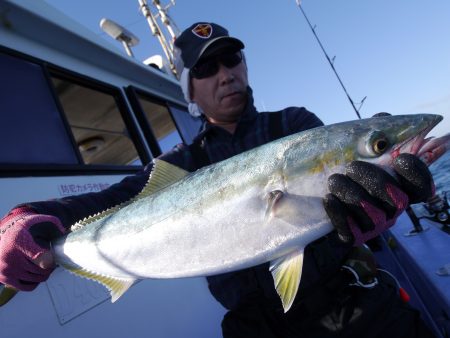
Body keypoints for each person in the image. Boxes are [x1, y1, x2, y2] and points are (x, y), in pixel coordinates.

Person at [0, 22, 436, 337]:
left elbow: (352, 191)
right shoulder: (178, 163)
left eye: (231, 59)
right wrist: (35, 218)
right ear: (189, 90)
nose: (225, 73)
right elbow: (107, 203)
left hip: (353, 302)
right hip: (255, 327)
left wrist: (379, 202)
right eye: (206, 69)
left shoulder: (295, 125)